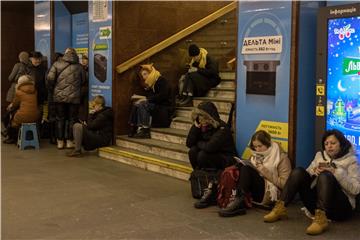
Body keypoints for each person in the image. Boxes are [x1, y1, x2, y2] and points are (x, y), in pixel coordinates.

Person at [263, 129, 360, 235]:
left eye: (333, 143)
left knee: (326, 176)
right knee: (298, 171)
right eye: (326, 144)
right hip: (316, 206)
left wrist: (336, 172)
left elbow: (356, 189)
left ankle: (321, 221)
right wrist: (314, 171)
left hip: (340, 208)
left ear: (341, 144)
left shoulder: (352, 160)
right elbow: (306, 175)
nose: (329, 146)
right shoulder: (320, 156)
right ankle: (280, 208)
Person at [218, 130, 292, 217]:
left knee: (246, 169)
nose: (257, 149)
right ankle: (234, 198)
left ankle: (239, 201)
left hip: (270, 193)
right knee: (240, 167)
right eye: (255, 147)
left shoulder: (281, 157)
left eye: (260, 146)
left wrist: (263, 171)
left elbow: (285, 184)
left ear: (268, 144)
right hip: (256, 188)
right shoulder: (256, 155)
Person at [186, 101, 236, 208]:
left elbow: (210, 147)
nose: (201, 120)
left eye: (203, 117)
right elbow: (189, 144)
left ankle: (211, 183)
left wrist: (198, 143)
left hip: (226, 158)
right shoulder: (200, 126)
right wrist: (195, 127)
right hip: (211, 155)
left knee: (202, 155)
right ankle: (202, 176)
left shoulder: (222, 128)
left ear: (210, 117)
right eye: (199, 117)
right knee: (193, 152)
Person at [47, 48, 85, 149]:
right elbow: (83, 81)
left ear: (65, 54)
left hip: (59, 97)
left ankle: (60, 142)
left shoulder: (56, 64)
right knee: (72, 119)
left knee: (60, 118)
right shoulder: (79, 67)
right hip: (74, 97)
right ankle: (69, 141)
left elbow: (50, 79)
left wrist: (53, 90)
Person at [128, 64, 174, 138]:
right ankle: (133, 126)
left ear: (151, 72)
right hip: (157, 106)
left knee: (143, 104)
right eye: (142, 75)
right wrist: (142, 98)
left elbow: (163, 96)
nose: (144, 77)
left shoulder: (161, 80)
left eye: (145, 74)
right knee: (136, 104)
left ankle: (145, 130)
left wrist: (145, 99)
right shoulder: (152, 83)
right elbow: (151, 97)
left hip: (164, 108)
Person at [3, 75, 40, 144]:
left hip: (23, 117)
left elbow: (14, 105)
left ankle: (11, 137)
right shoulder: (34, 91)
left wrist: (10, 106)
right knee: (16, 114)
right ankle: (8, 132)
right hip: (35, 116)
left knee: (10, 116)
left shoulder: (19, 92)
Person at [78, 54, 89, 122]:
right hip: (81, 91)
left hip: (87, 90)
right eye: (82, 59)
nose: (83, 61)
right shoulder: (80, 68)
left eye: (86, 59)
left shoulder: (90, 69)